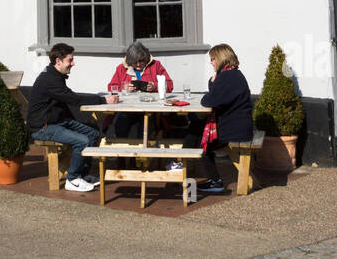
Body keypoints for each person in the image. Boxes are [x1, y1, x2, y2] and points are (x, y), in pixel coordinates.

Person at [26, 43, 115, 192]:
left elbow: (65, 102)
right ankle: (72, 179)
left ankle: (82, 175)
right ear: (58, 61)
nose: (73, 63)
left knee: (92, 133)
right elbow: (74, 99)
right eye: (70, 60)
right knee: (83, 141)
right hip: (42, 127)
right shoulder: (50, 80)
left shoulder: (55, 75)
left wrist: (74, 123)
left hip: (57, 121)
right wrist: (103, 100)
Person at [175, 43, 252, 194]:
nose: (211, 62)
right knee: (198, 129)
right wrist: (213, 82)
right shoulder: (232, 74)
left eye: (212, 59)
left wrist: (212, 82)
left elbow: (209, 101)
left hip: (235, 129)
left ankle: (184, 165)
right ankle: (181, 162)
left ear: (220, 58)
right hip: (238, 124)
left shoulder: (227, 77)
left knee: (202, 137)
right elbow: (216, 97)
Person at [105, 40, 173, 140]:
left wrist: (154, 86)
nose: (138, 64)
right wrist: (123, 87)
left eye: (141, 61)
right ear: (129, 61)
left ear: (146, 58)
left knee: (146, 127)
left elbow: (170, 85)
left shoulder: (156, 66)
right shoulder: (121, 68)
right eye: (134, 62)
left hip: (149, 109)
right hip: (127, 109)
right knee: (120, 123)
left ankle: (142, 153)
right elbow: (111, 87)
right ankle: (121, 153)